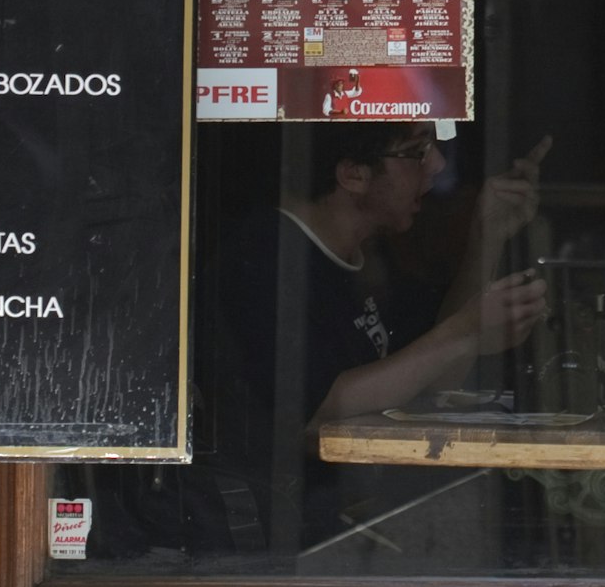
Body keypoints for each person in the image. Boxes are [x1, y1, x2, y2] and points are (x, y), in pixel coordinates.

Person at [194, 124, 550, 546]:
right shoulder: (264, 261)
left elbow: (427, 373)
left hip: (355, 514)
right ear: (353, 175)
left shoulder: (365, 255)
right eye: (416, 151)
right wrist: (465, 331)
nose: (436, 166)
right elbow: (317, 414)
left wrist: (486, 238)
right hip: (282, 536)